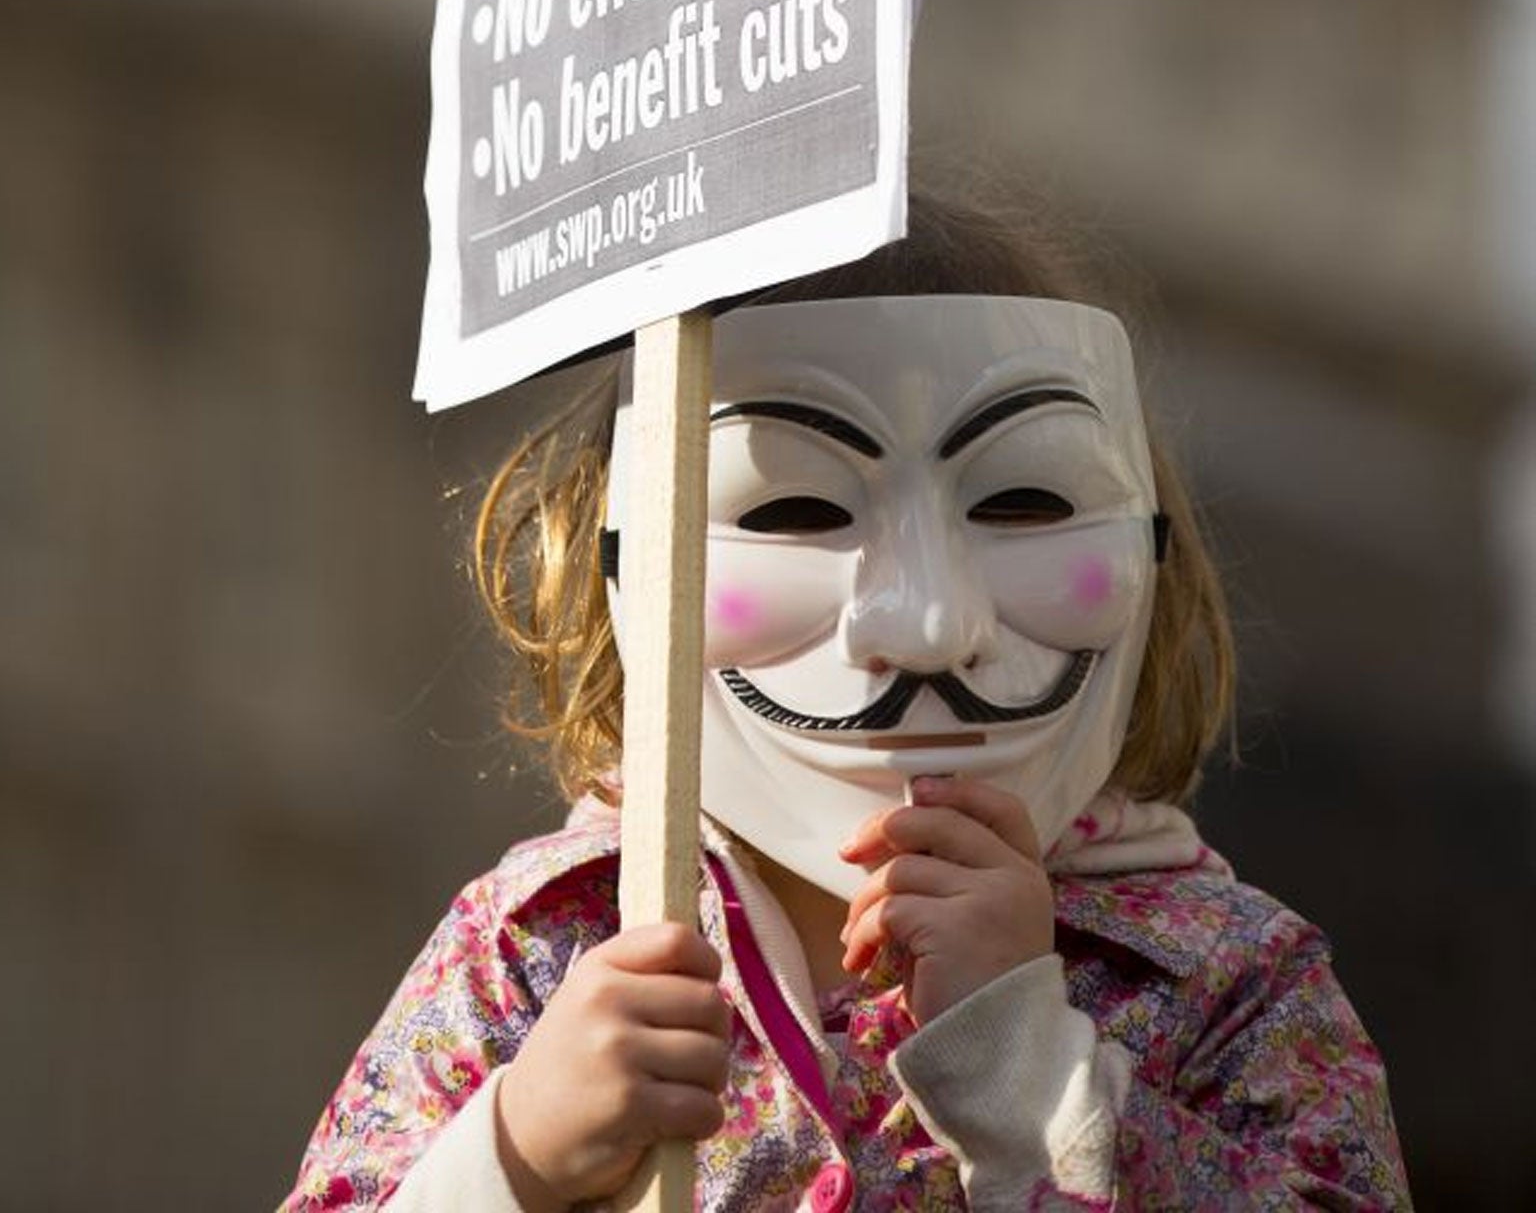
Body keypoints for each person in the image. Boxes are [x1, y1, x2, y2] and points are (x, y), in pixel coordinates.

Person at [282, 188, 1411, 1211]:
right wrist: (512, 1153)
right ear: (626, 551)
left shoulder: (1222, 976)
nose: (925, 624)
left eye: (1020, 502)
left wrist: (1032, 1075)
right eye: (791, 512)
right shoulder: (538, 949)